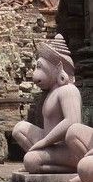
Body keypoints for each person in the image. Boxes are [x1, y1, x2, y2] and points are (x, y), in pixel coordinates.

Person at [12, 35, 82, 173]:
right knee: (19, 128)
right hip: (51, 143)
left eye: (40, 67)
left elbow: (73, 121)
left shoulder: (68, 90)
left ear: (58, 68)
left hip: (67, 148)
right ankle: (39, 161)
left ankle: (72, 168)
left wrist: (44, 142)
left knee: (31, 160)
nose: (36, 73)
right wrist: (44, 142)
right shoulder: (51, 92)